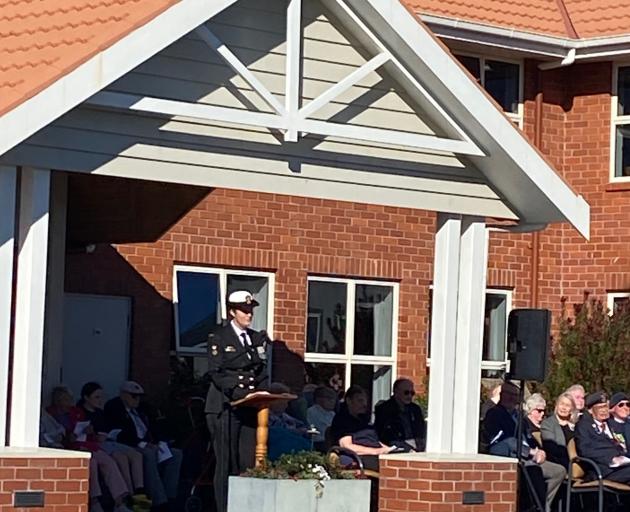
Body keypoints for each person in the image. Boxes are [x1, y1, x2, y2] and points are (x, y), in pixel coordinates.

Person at [204, 290, 269, 512]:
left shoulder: (254, 339)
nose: (249, 314)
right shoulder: (219, 337)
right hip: (224, 406)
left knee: (247, 461)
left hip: (249, 407)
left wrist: (262, 393)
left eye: (250, 310)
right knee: (226, 462)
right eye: (244, 310)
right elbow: (216, 372)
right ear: (232, 312)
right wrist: (238, 393)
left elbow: (260, 371)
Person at [47, 386, 133, 512]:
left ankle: (120, 502)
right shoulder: (51, 414)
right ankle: (94, 502)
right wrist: (69, 437)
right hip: (69, 448)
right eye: (65, 399)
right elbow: (54, 436)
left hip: (86, 444)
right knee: (91, 463)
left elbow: (85, 430)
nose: (69, 402)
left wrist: (89, 431)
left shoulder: (76, 411)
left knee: (108, 462)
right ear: (57, 400)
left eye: (70, 399)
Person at [483, 384, 565, 512]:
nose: (511, 398)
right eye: (508, 394)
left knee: (558, 471)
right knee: (534, 471)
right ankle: (536, 506)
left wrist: (539, 451)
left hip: (529, 456)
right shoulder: (494, 414)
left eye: (515, 395)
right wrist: (530, 452)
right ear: (501, 395)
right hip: (509, 457)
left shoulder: (520, 416)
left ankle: (541, 505)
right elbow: (505, 440)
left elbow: (529, 438)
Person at [104, 381, 183, 512]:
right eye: (133, 396)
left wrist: (159, 442)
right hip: (131, 445)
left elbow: (154, 426)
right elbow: (119, 433)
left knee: (176, 454)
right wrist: (143, 444)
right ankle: (159, 501)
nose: (137, 400)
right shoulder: (114, 407)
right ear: (123, 395)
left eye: (139, 396)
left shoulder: (142, 409)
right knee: (147, 454)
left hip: (148, 443)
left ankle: (170, 497)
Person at [78, 382, 145, 498]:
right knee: (121, 459)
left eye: (101, 397)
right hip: (95, 445)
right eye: (96, 397)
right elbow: (78, 433)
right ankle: (128, 494)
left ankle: (139, 491)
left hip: (108, 441)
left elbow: (106, 429)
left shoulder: (100, 412)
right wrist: (93, 435)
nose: (100, 400)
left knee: (136, 455)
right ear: (86, 398)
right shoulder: (80, 413)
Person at [329, 385, 392, 472]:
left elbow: (375, 441)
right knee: (392, 467)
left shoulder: (363, 420)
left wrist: (390, 450)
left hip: (375, 455)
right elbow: (346, 446)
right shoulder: (342, 420)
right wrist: (377, 451)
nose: (364, 404)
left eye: (365, 401)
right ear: (348, 401)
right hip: (358, 458)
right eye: (360, 401)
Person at [575, 391, 630, 483]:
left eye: (605, 406)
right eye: (600, 407)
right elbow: (585, 450)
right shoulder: (584, 426)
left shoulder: (613, 424)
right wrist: (612, 458)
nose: (604, 410)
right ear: (590, 410)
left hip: (624, 466)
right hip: (603, 470)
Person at [374, 378, 426, 451]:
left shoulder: (415, 409)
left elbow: (420, 429)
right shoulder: (385, 409)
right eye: (406, 392)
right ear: (396, 392)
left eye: (412, 393)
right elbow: (385, 434)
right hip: (395, 444)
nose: (409, 396)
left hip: (415, 443)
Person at [541, 392, 578, 468]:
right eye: (562, 404)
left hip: (579, 461)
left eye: (567, 405)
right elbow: (551, 448)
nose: (564, 408)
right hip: (559, 462)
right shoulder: (548, 424)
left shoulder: (576, 425)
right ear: (557, 405)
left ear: (571, 409)